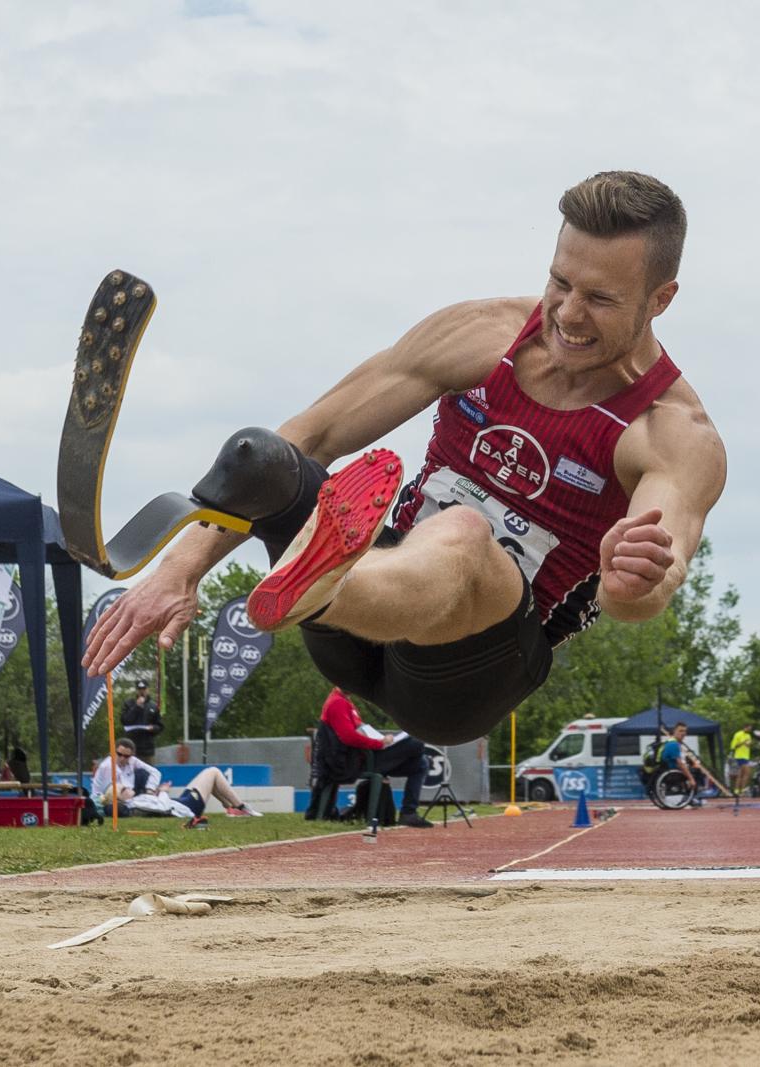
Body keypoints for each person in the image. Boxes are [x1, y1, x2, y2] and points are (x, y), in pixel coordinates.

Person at [83, 171, 726, 751]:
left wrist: (632, 583)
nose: (568, 314)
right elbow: (318, 431)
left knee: (464, 535)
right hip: (365, 624)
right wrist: (178, 573)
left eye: (601, 299)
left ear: (660, 299)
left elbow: (646, 594)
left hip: (466, 676)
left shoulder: (671, 432)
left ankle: (322, 580)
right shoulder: (479, 334)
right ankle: (322, 577)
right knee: (261, 457)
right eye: (559, 282)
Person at [320, 687, 432, 828]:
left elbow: (359, 731)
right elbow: (348, 737)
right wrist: (379, 743)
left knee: (421, 764)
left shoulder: (345, 701)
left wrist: (381, 739)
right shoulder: (337, 703)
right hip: (357, 761)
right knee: (416, 743)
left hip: (367, 756)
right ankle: (403, 804)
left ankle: (408, 813)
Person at [91, 737, 262, 820]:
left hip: (178, 802)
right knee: (213, 772)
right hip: (185, 807)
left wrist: (151, 790)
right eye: (119, 754)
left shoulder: (135, 791)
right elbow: (163, 807)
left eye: (125, 756)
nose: (122, 758)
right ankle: (240, 806)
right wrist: (162, 793)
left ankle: (232, 808)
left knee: (212, 776)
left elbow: (154, 773)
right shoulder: (109, 771)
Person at [120, 679, 163, 763]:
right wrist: (137, 706)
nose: (142, 692)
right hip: (131, 748)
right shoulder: (129, 703)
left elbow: (160, 726)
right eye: (140, 689)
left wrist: (153, 728)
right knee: (131, 774)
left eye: (144, 689)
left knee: (147, 773)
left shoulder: (153, 706)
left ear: (148, 690)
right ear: (137, 690)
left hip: (147, 750)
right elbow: (125, 721)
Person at [728, 722, 755, 795]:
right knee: (743, 773)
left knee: (745, 774)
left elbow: (748, 745)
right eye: (749, 727)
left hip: (746, 756)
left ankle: (740, 790)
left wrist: (749, 744)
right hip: (739, 756)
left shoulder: (748, 735)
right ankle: (739, 790)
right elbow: (733, 746)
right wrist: (743, 742)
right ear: (745, 727)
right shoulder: (738, 734)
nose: (750, 729)